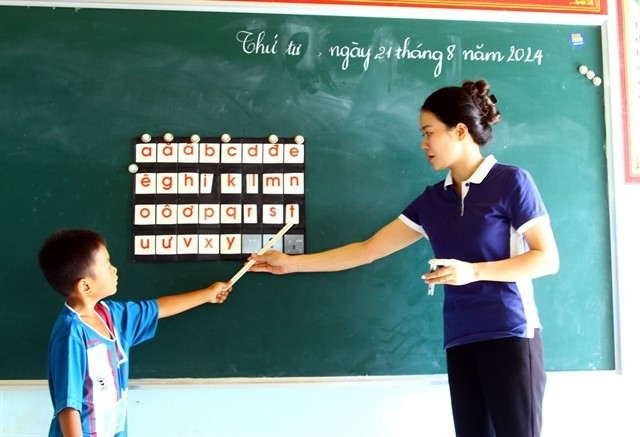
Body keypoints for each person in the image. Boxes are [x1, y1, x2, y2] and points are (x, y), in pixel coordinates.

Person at [249, 79, 559, 437]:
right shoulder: (432, 201)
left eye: (429, 133)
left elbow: (546, 259)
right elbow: (367, 250)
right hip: (461, 338)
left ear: (460, 131)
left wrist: (472, 272)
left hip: (511, 335)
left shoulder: (511, 182)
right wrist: (291, 263)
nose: (423, 143)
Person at [38, 229, 232, 437]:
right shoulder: (71, 335)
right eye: (107, 266)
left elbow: (158, 308)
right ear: (85, 286)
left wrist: (208, 294)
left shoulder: (111, 316)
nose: (114, 270)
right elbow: (68, 406)